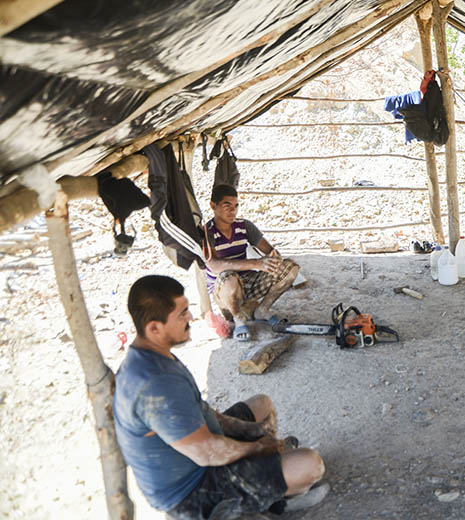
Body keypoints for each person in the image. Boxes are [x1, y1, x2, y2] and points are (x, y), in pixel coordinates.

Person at [113, 275, 327, 518]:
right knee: (310, 464)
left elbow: (202, 411)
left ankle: (270, 491)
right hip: (193, 491)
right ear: (154, 327)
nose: (191, 318)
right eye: (182, 314)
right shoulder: (156, 385)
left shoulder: (151, 355)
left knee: (261, 405)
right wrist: (258, 448)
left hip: (203, 451)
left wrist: (254, 436)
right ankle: (254, 505)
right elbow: (207, 452)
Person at [203, 184, 300, 341]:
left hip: (247, 283)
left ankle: (262, 310)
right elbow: (214, 265)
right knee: (230, 278)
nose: (232, 210)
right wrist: (256, 263)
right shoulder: (207, 232)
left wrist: (274, 260)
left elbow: (270, 251)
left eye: (235, 206)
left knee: (290, 268)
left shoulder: (244, 226)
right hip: (224, 290)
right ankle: (238, 318)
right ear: (213, 206)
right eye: (227, 206)